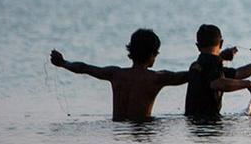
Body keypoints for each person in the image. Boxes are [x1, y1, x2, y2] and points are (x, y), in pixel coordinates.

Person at [49, 28, 190, 121]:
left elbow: (85, 68)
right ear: (153, 54)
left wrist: (63, 63)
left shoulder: (116, 74)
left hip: (117, 129)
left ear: (131, 52)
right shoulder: (157, 78)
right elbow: (186, 76)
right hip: (142, 127)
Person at [185, 23, 251, 120]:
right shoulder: (212, 66)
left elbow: (239, 73)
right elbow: (217, 83)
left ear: (197, 46)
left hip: (193, 124)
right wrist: (247, 84)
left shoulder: (197, 65)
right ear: (221, 43)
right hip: (207, 124)